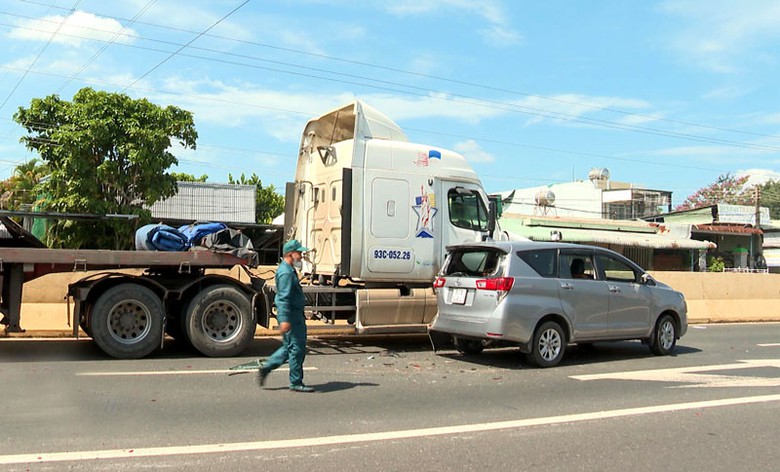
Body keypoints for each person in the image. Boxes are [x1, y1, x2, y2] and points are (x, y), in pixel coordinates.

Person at [258, 239, 315, 393]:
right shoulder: (286, 273)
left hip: (294, 315)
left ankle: (267, 367)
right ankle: (296, 382)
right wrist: (284, 320)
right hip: (292, 316)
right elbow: (283, 298)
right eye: (299, 253)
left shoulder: (288, 270)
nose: (301, 256)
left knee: (289, 348)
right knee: (297, 348)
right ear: (291, 254)